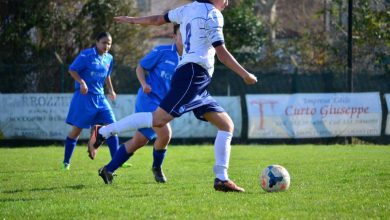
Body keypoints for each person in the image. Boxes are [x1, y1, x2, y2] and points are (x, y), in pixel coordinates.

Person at [89, 0, 257, 192]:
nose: (227, 2)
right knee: (158, 121)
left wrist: (133, 20)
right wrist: (245, 74)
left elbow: (158, 19)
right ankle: (103, 132)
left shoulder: (188, 8)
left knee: (226, 125)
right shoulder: (213, 15)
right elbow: (222, 53)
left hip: (196, 79)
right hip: (194, 73)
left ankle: (221, 178)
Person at [95, 24, 183, 183]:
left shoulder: (190, 59)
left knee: (139, 141)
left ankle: (108, 170)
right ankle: (157, 168)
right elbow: (141, 67)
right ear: (174, 37)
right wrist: (144, 84)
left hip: (164, 104)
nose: (186, 38)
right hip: (148, 99)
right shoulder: (162, 51)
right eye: (181, 34)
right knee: (165, 134)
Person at [62, 32, 120, 170]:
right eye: (104, 42)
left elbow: (107, 75)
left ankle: (117, 161)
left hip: (100, 98)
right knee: (76, 131)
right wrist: (82, 82)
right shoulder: (86, 55)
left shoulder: (109, 58)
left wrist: (111, 90)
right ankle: (66, 162)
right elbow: (72, 70)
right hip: (84, 97)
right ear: (97, 42)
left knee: (112, 127)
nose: (107, 46)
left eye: (109, 43)